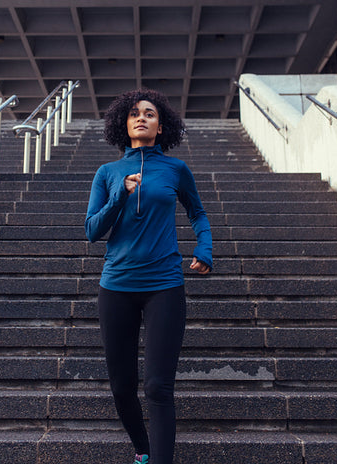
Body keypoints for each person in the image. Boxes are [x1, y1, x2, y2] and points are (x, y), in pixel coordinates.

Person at [85, 89, 213, 464]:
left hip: (165, 286)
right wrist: (119, 197)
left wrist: (203, 249)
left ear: (161, 126)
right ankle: (142, 448)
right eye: (134, 114)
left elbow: (198, 214)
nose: (142, 118)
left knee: (158, 387)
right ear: (123, 125)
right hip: (116, 287)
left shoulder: (175, 169)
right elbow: (92, 230)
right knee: (122, 388)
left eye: (150, 114)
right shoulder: (107, 173)